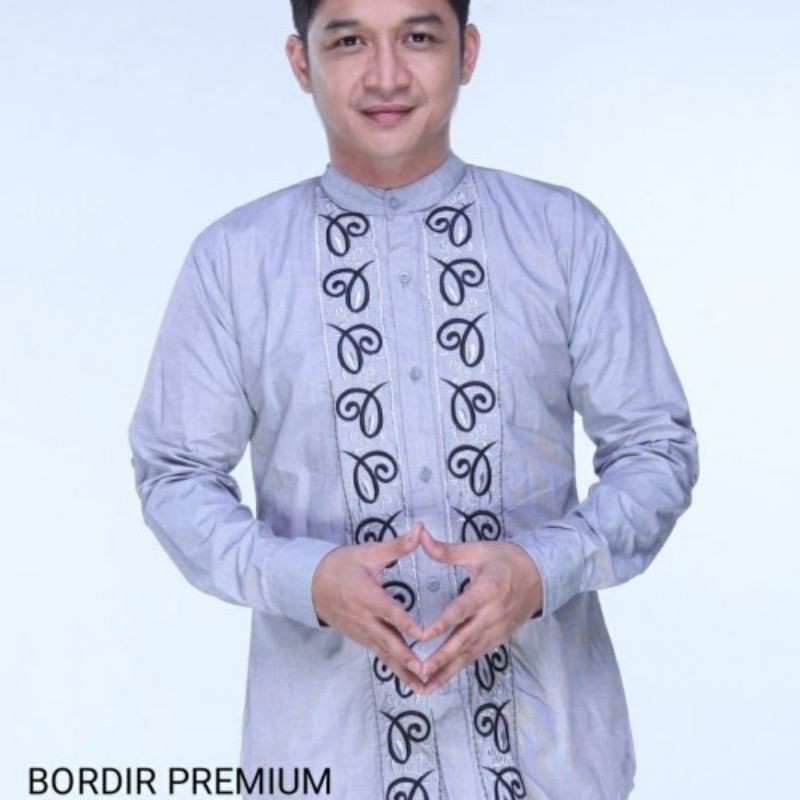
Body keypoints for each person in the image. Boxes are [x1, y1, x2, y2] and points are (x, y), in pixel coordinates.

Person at [127, 0, 700, 797]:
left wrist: (543, 570)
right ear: (301, 62)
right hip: (328, 760)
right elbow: (174, 476)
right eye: (350, 41)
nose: (387, 75)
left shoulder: (564, 236)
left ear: (467, 52)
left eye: (419, 37)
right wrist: (305, 580)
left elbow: (656, 449)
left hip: (551, 759)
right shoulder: (234, 263)